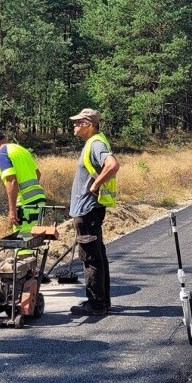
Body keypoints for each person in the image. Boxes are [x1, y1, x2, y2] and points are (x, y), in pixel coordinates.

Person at [68, 107, 119, 316]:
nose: (74, 125)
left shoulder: (95, 143)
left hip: (88, 209)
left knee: (91, 258)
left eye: (78, 122)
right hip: (91, 209)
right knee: (98, 255)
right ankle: (102, 302)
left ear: (89, 125)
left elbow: (113, 165)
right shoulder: (95, 142)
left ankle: (96, 304)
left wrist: (94, 186)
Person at [0, 128, 46, 236]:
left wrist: (12, 210)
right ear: (5, 137)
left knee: (22, 240)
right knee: (33, 237)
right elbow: (38, 174)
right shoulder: (21, 150)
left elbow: (11, 181)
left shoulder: (2, 155)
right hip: (40, 198)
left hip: (25, 203)